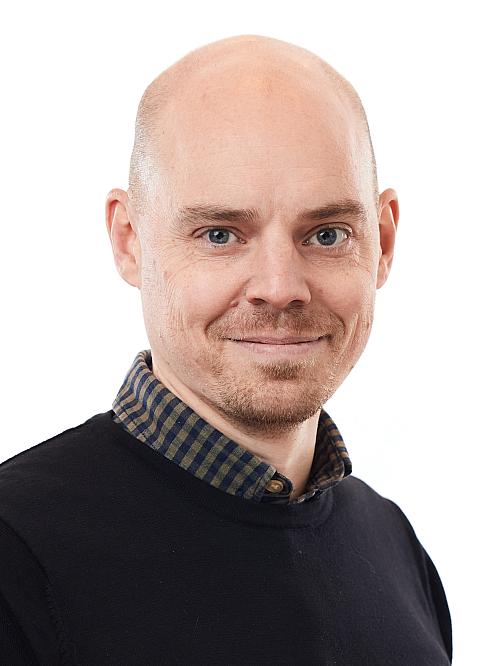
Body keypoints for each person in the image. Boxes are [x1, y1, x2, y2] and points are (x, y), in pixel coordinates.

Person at [0, 34, 452, 665]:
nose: (280, 288)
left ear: (382, 241)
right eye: (220, 234)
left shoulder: (394, 545)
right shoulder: (16, 553)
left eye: (326, 234)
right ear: (129, 240)